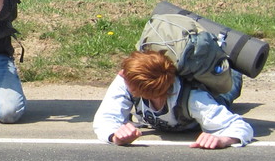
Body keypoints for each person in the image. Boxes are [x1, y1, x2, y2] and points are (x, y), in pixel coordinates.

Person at [92, 49, 253, 149]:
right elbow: (105, 119)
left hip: (215, 93)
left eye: (126, 76)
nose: (120, 74)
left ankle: (225, 57)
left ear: (141, 90)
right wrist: (115, 136)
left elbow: (240, 127)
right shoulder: (125, 80)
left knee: (228, 88)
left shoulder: (194, 99)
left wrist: (223, 140)